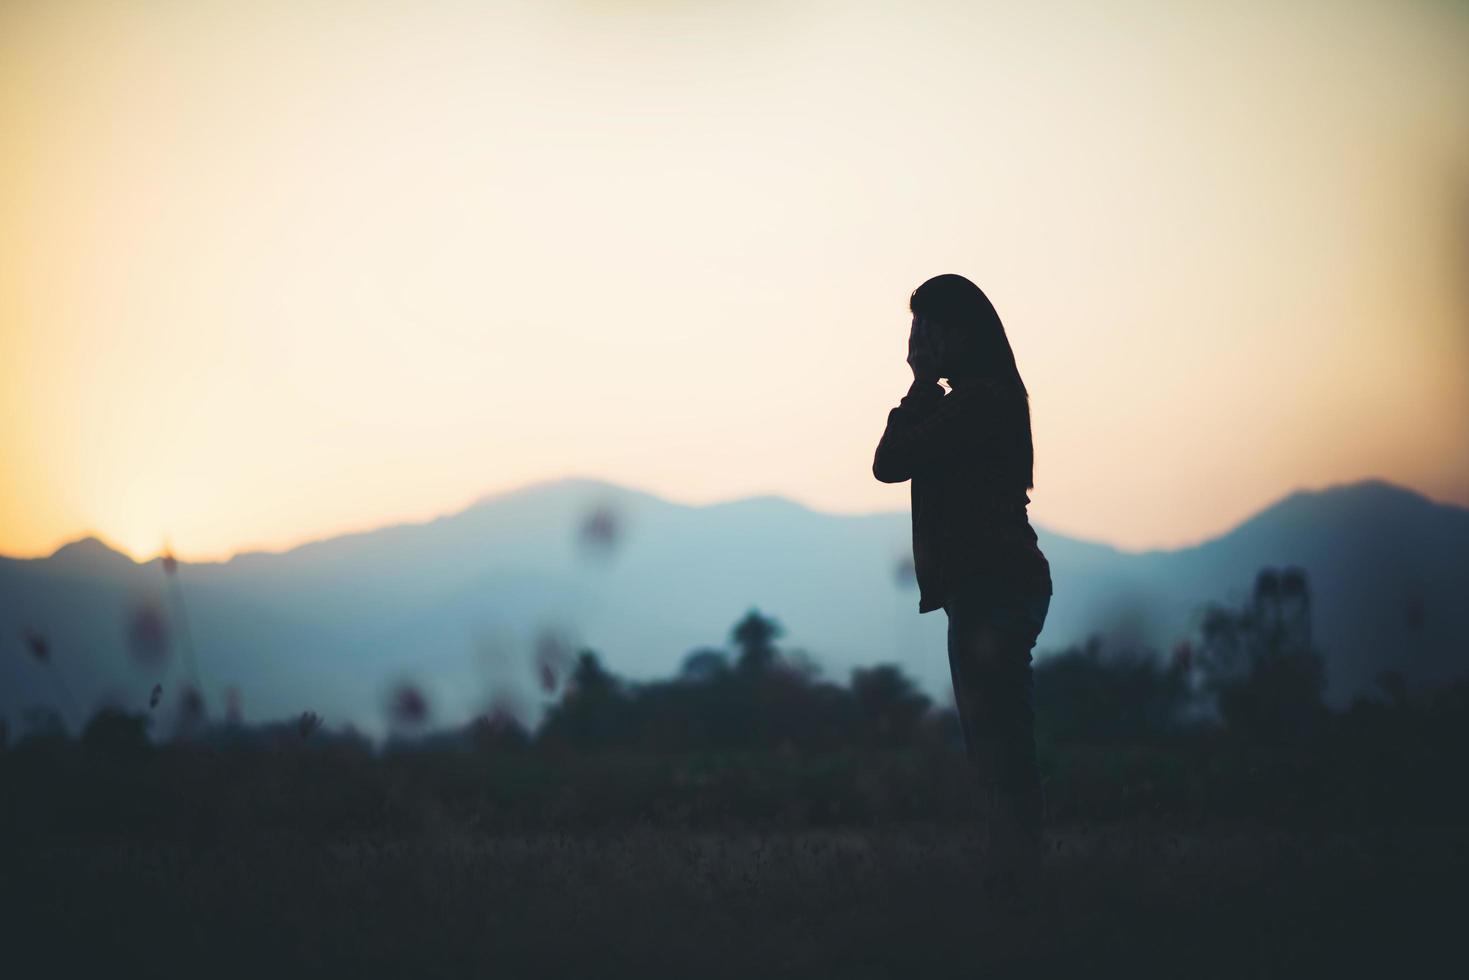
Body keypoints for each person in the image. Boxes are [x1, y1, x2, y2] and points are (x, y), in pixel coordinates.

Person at [872, 273, 1053, 907]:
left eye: (928, 328)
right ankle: (1013, 879)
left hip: (994, 588)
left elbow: (889, 462)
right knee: (996, 742)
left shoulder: (980, 404)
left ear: (960, 333)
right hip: (987, 589)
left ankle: (1017, 885)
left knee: (999, 745)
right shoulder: (977, 398)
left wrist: (919, 385)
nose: (917, 340)